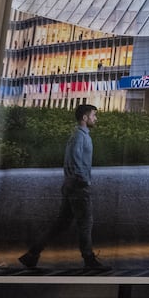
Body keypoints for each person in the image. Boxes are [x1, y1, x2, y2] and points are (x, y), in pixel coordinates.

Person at [18, 103, 104, 270]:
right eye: (94, 115)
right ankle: (89, 259)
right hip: (78, 187)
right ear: (85, 118)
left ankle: (32, 255)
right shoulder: (79, 136)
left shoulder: (81, 135)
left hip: (72, 186)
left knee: (61, 224)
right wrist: (83, 181)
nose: (96, 119)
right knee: (86, 223)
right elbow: (73, 161)